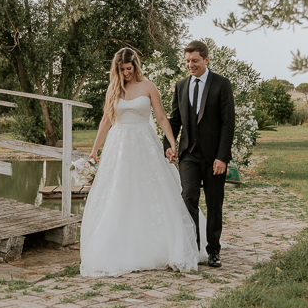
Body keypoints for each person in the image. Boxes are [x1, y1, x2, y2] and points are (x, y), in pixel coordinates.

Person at [80, 47, 203, 277]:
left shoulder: (148, 87)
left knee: (153, 190)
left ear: (136, 65)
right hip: (119, 146)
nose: (126, 73)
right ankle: (122, 244)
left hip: (145, 144)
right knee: (120, 191)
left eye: (129, 68)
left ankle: (163, 244)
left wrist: (171, 143)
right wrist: (95, 149)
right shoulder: (114, 88)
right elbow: (106, 119)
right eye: (122, 69)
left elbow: (161, 117)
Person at [164, 40, 235, 268]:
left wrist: (222, 157)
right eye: (187, 61)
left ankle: (213, 250)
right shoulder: (181, 85)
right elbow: (174, 121)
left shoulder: (222, 84)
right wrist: (168, 144)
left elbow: (228, 123)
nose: (190, 65)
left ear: (206, 59)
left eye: (194, 60)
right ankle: (192, 249)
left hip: (214, 156)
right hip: (188, 154)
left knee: (214, 204)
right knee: (188, 198)